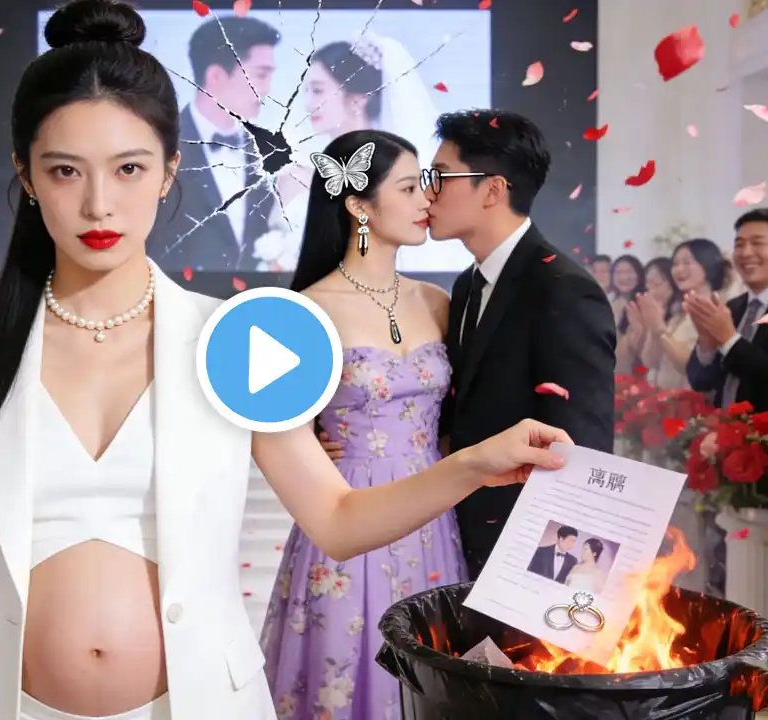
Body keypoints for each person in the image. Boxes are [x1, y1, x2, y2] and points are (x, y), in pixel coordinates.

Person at [0, 4, 572, 719]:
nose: (98, 204)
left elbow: (337, 518)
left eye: (129, 169)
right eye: (65, 170)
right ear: (27, 176)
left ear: (167, 172)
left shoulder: (235, 339)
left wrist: (473, 464)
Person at [260, 130, 466, 720]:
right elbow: (275, 429)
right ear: (358, 205)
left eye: (425, 184)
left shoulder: (436, 301)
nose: (426, 198)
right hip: (347, 510)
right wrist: (309, 440)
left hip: (432, 514)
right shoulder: (307, 309)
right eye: (408, 188)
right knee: (345, 673)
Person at [424, 109, 615, 576]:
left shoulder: (563, 289)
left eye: (441, 176)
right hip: (459, 531)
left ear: (492, 189)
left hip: (523, 550)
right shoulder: (467, 285)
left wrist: (552, 570)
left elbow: (580, 445)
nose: (428, 192)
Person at [256, 36, 473, 275]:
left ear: (357, 99)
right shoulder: (294, 173)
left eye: (318, 91)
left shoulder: (406, 169)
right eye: (307, 91)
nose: (308, 104)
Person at [145, 15, 279, 272]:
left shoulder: (266, 150)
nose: (267, 89)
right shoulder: (157, 145)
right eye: (261, 75)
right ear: (216, 76)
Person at [686, 208, 768, 414]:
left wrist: (729, 340)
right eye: (739, 244)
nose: (745, 253)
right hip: (723, 428)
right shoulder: (733, 307)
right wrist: (706, 343)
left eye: (757, 243)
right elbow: (701, 382)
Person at [633, 238, 725, 390]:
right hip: (665, 398)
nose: (679, 269)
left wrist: (660, 330)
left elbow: (695, 367)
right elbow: (651, 362)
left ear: (708, 265)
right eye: (675, 264)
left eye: (687, 262)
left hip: (694, 400)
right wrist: (653, 327)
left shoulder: (715, 309)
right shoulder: (678, 312)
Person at [617, 258, 677, 374]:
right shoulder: (639, 308)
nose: (651, 288)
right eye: (649, 282)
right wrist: (637, 331)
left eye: (658, 281)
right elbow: (641, 358)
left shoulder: (678, 313)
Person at [609, 254, 645, 330]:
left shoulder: (645, 303)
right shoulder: (610, 300)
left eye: (629, 272)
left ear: (639, 274)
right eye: (619, 272)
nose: (624, 277)